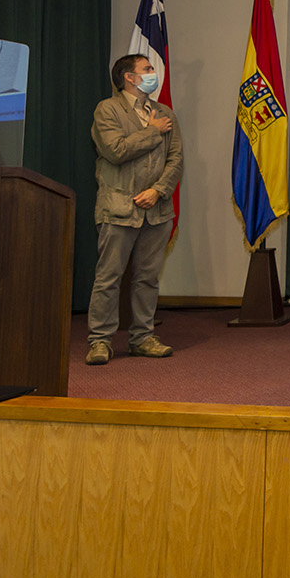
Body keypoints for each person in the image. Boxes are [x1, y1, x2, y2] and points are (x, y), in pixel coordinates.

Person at [84, 53, 183, 365]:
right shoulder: (107, 109)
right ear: (129, 77)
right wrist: (153, 131)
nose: (153, 73)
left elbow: (176, 158)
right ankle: (100, 341)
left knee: (148, 278)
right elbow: (115, 151)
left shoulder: (164, 112)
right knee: (108, 278)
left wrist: (158, 190)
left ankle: (142, 338)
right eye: (147, 69)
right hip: (118, 208)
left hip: (157, 210)